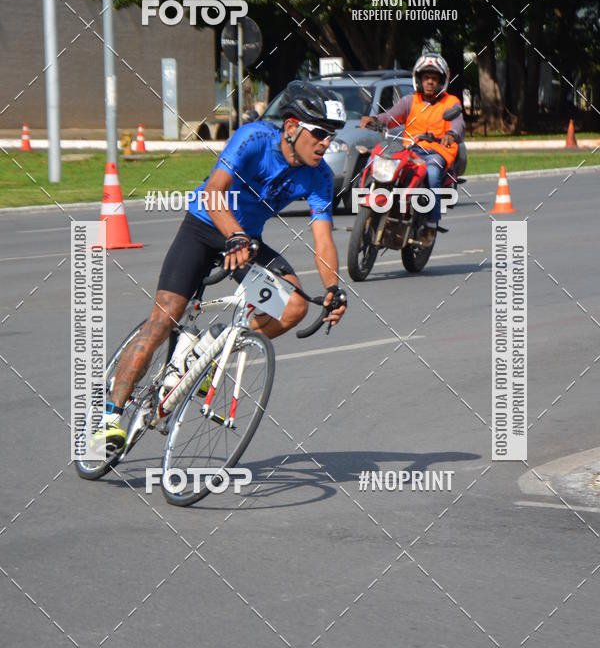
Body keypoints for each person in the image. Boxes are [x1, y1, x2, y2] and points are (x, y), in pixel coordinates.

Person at [93, 81, 348, 455]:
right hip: (204, 227)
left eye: (333, 136)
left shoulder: (319, 176)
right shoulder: (253, 139)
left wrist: (333, 288)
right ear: (292, 127)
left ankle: (208, 349)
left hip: (247, 242)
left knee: (294, 305)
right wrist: (235, 236)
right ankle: (108, 421)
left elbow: (323, 240)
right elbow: (214, 191)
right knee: (164, 320)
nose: (327, 144)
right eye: (321, 134)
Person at [360, 53, 465, 246]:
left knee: (432, 174)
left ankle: (431, 225)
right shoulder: (410, 101)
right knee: (376, 161)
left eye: (434, 78)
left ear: (442, 80)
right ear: (419, 79)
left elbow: (458, 124)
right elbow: (392, 116)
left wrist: (451, 135)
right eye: (426, 78)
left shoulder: (451, 103)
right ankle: (368, 207)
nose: (430, 82)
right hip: (411, 151)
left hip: (436, 153)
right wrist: (376, 121)